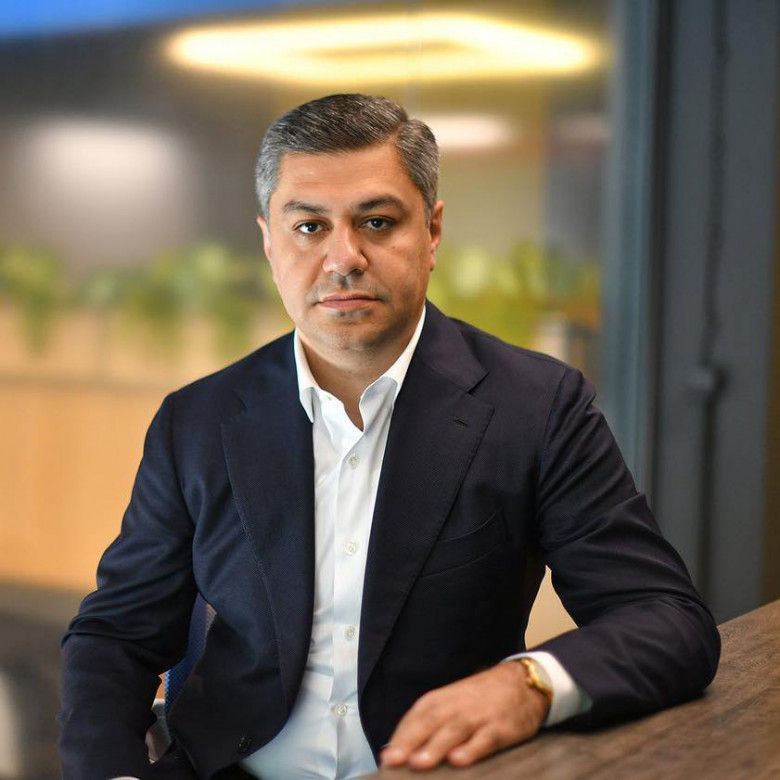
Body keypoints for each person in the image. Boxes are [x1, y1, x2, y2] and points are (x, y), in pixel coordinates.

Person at [59, 94, 720, 780]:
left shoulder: (538, 406)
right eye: (309, 227)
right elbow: (116, 635)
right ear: (269, 242)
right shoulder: (197, 420)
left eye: (377, 222)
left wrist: (528, 685)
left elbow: (665, 619)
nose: (343, 258)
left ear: (432, 232)